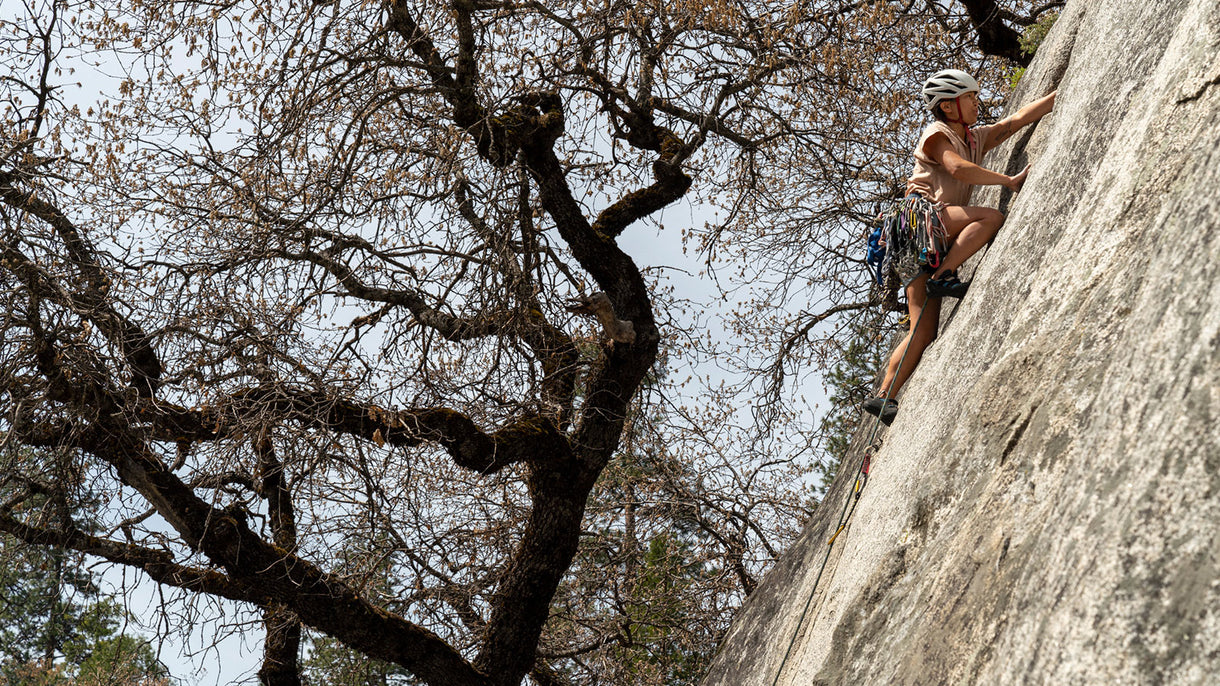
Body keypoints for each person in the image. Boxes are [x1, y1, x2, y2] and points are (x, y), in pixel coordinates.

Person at [863, 69, 1056, 425]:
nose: (976, 102)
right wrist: (1007, 181)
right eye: (969, 98)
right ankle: (945, 272)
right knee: (990, 218)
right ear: (949, 107)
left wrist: (1058, 95)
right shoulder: (937, 135)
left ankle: (883, 396)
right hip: (920, 222)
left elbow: (1013, 122)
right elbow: (957, 168)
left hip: (918, 240)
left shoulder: (973, 137)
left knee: (922, 329)